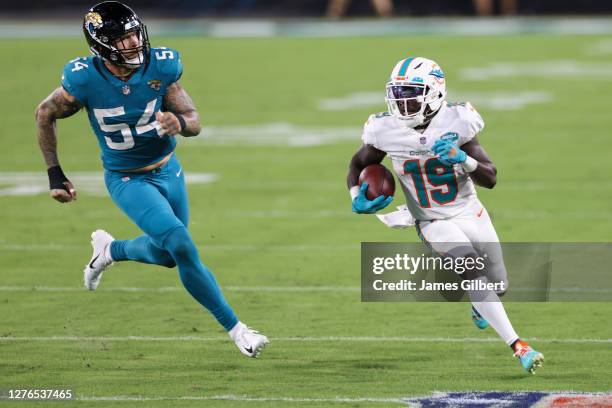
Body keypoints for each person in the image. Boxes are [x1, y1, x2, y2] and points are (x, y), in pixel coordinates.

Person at [34, 1, 268, 358]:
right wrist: (54, 172)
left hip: (169, 169)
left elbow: (193, 119)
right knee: (183, 246)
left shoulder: (161, 65)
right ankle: (238, 330)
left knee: (168, 256)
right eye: (123, 39)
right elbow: (44, 113)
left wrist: (181, 124)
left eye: (134, 34)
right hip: (127, 179)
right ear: (101, 45)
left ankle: (111, 250)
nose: (134, 43)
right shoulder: (82, 78)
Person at [346, 56, 543, 373]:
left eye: (410, 93)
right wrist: (356, 195)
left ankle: (481, 305)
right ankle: (519, 346)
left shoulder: (458, 120)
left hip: (468, 211)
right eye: (397, 94)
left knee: (499, 282)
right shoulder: (385, 129)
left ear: (434, 93)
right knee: (472, 272)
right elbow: (357, 164)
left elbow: (490, 178)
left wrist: (463, 158)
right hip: (431, 220)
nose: (401, 102)